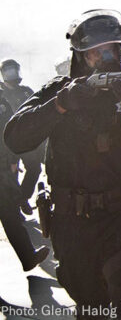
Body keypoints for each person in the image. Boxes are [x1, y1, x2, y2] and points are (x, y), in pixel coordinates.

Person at [4, 9, 121, 318]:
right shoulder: (60, 91)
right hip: (74, 222)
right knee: (90, 306)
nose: (106, 56)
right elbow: (16, 137)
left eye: (112, 48)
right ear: (81, 56)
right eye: (96, 52)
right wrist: (60, 105)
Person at [0, 89, 49, 271]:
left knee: (10, 216)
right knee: (10, 216)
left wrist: (12, 160)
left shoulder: (2, 101)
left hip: (2, 171)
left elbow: (8, 133)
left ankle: (27, 256)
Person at [0, 59, 43, 210]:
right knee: (11, 174)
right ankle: (14, 209)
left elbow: (40, 109)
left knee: (35, 169)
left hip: (26, 138)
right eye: (9, 71)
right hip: (6, 140)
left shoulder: (26, 91)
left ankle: (23, 198)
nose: (13, 74)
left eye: (14, 70)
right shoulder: (1, 93)